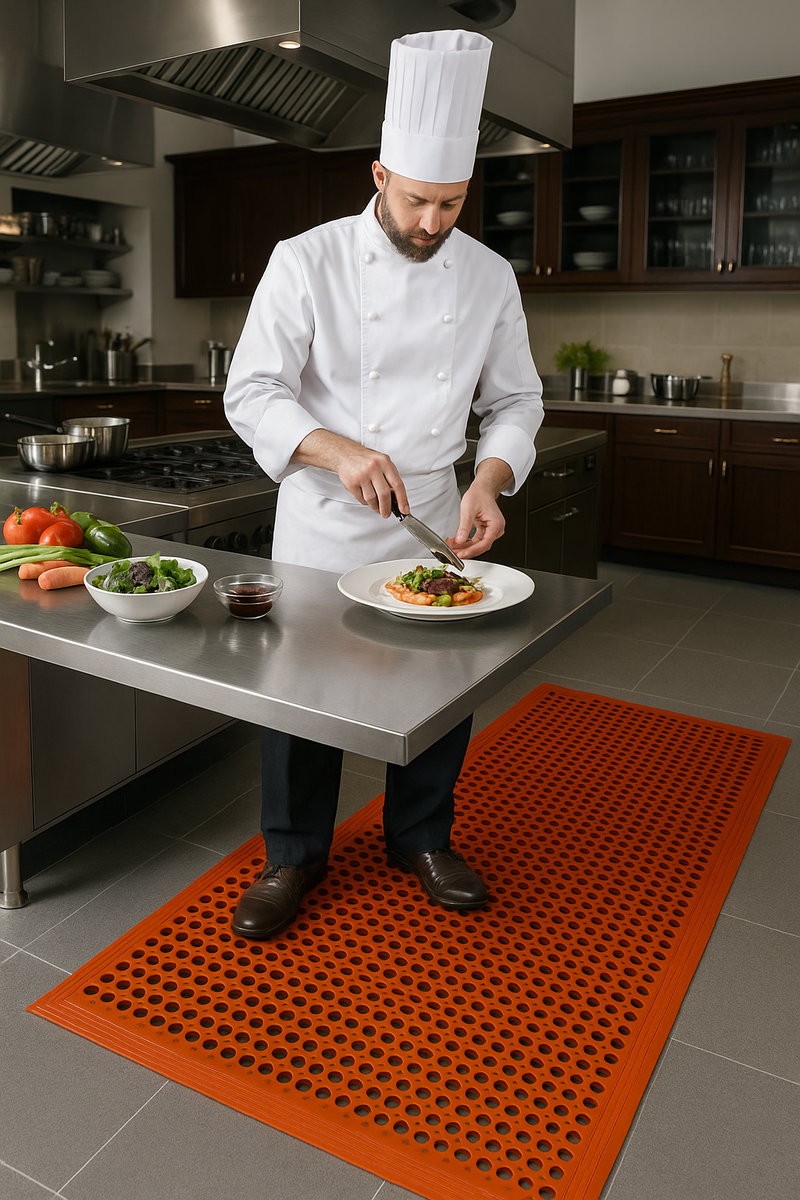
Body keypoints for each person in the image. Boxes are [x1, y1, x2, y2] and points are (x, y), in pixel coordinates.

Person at [224, 28, 544, 940]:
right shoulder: (308, 260)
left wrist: (488, 479)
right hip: (325, 518)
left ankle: (421, 837)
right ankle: (292, 855)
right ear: (377, 175)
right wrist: (336, 450)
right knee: (301, 692)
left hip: (435, 510)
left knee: (437, 685)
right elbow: (252, 390)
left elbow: (518, 398)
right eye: (416, 201)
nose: (432, 223)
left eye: (450, 204)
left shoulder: (487, 276)